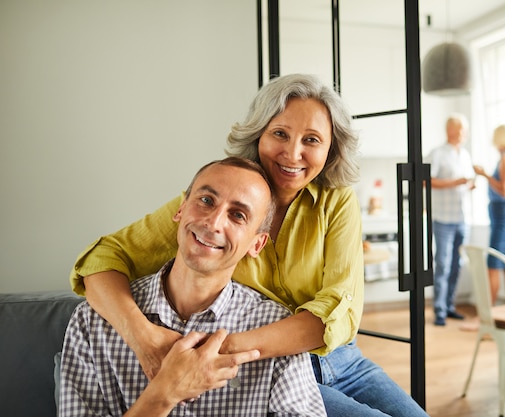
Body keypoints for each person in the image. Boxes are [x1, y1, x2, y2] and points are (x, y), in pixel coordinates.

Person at [69, 74, 429, 417]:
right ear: (258, 133)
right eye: (280, 133)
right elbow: (101, 260)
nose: (292, 153)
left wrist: (215, 350)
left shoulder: (336, 202)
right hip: (269, 369)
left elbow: (339, 310)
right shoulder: (214, 201)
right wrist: (145, 339)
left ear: (331, 148)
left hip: (340, 359)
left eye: (312, 140)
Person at [59, 158, 327, 417]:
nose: (213, 222)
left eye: (237, 215)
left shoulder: (274, 328)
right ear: (180, 210)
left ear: (256, 244)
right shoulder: (93, 320)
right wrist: (164, 393)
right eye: (206, 201)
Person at [426, 113, 475, 327]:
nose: (464, 133)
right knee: (443, 265)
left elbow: (464, 183)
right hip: (443, 219)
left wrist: (468, 185)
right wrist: (456, 182)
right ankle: (439, 311)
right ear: (450, 130)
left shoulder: (465, 155)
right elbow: (427, 181)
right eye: (460, 129)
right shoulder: (437, 154)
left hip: (463, 219)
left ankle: (450, 306)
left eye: (465, 129)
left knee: (457, 265)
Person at [473, 124, 505, 304]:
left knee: (493, 264)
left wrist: (484, 175)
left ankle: (487, 315)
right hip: (503, 215)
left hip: (504, 217)